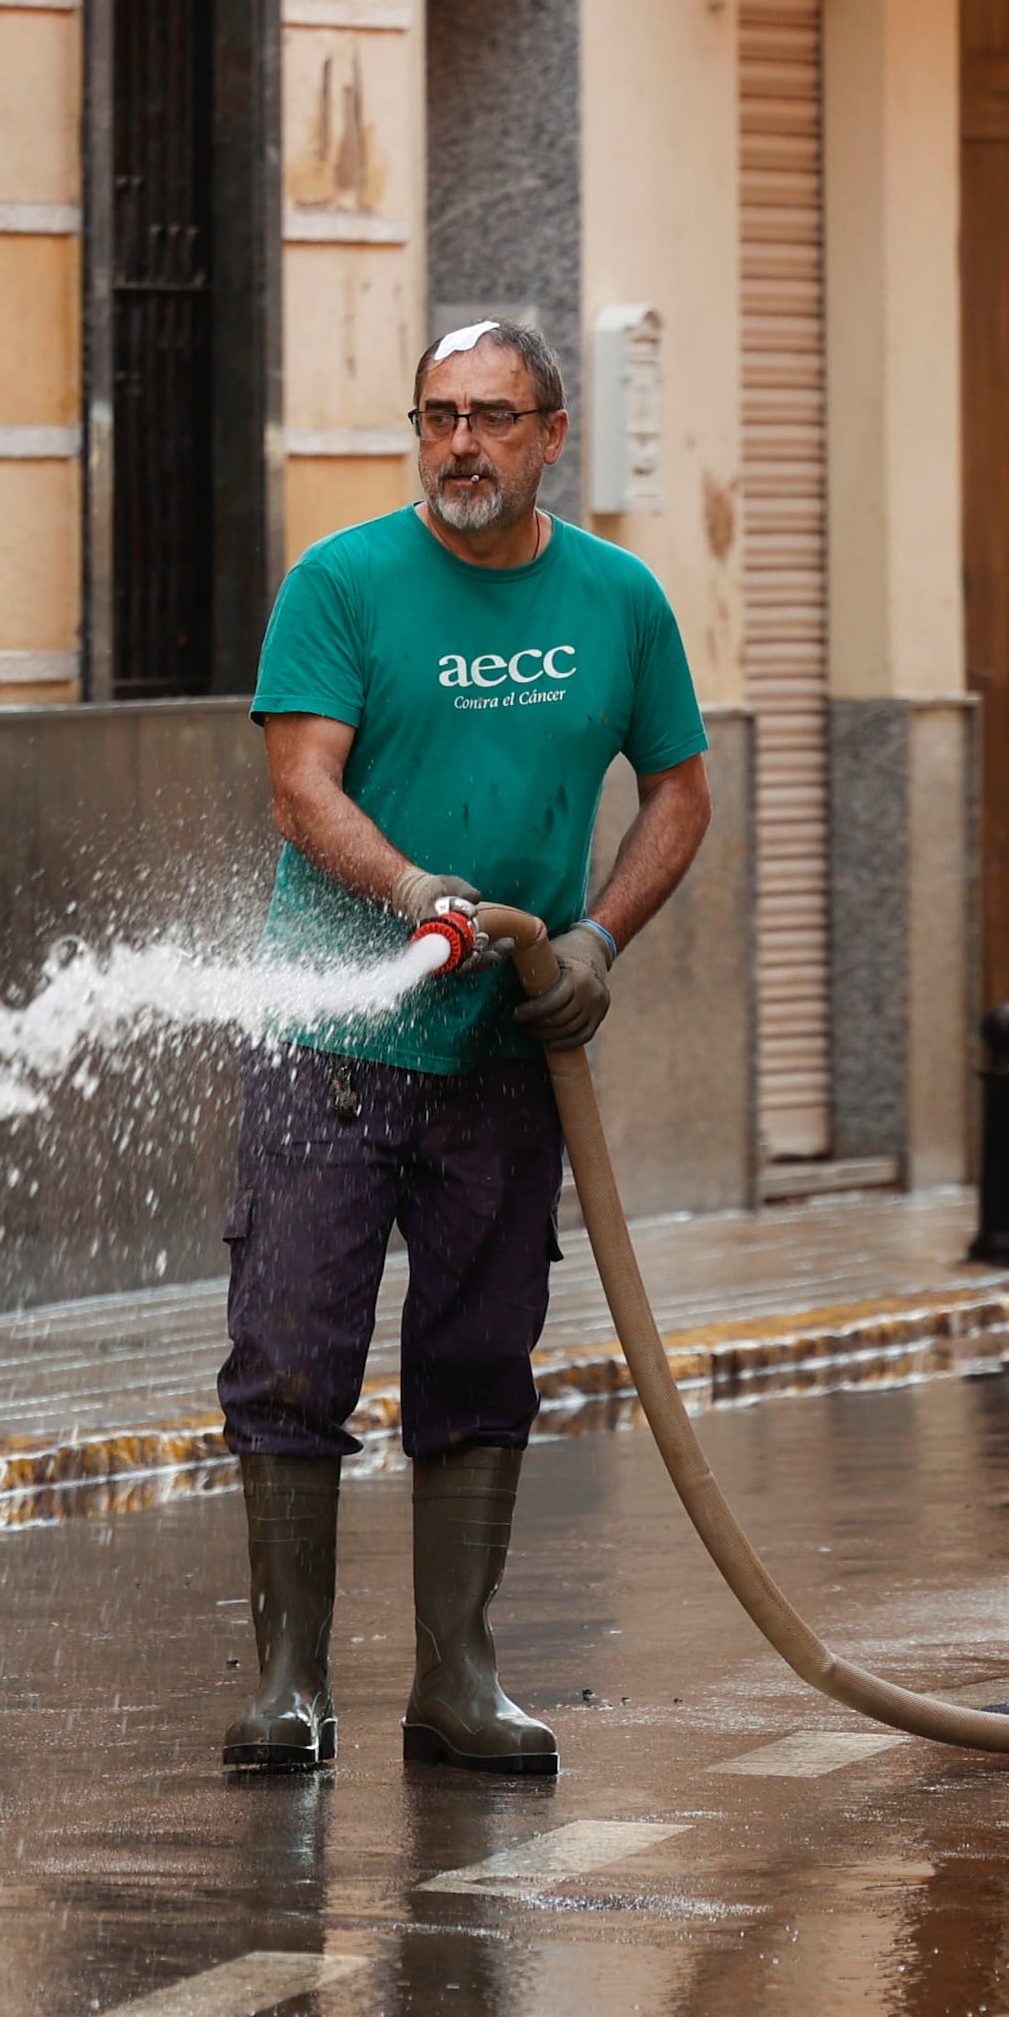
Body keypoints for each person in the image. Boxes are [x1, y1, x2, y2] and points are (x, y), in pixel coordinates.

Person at [223, 319, 710, 1777]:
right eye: (437, 417)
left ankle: (456, 1674)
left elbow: (680, 792)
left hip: (505, 1055)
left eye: (492, 418)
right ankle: (291, 1684)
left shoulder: (619, 599)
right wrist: (415, 891)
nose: (460, 446)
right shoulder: (344, 582)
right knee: (292, 1353)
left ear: (554, 434)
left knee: (480, 1353)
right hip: (330, 1038)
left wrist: (599, 941)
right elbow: (301, 783)